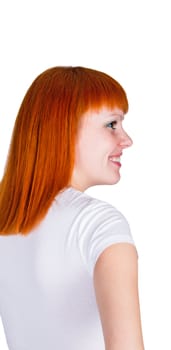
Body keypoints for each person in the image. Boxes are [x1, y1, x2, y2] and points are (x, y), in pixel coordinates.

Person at [0, 66, 144, 350]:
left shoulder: (7, 221)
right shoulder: (99, 224)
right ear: (64, 128)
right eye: (111, 124)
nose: (126, 140)